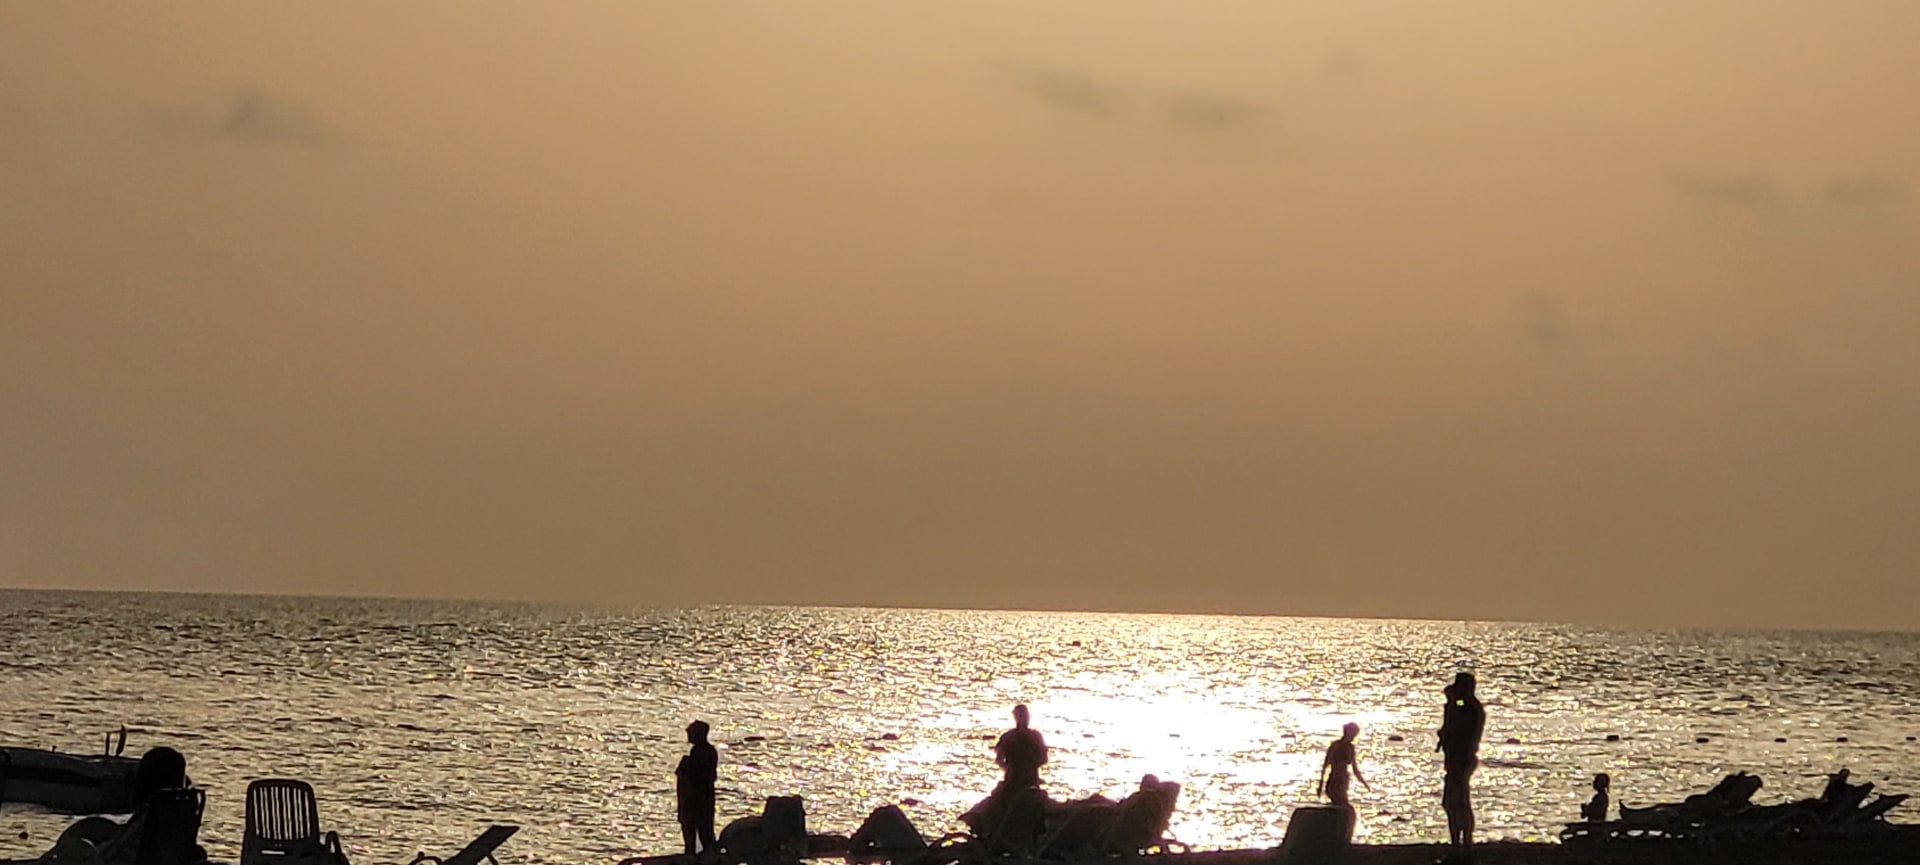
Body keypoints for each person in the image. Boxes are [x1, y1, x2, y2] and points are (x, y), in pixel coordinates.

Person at [1437, 672, 1486, 852]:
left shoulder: (1466, 706)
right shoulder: (1465, 705)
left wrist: (1452, 704)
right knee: (1454, 801)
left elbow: (1458, 709)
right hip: (1457, 759)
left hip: (1462, 759)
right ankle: (1459, 841)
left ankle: (1463, 842)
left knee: (1457, 801)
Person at [675, 720, 719, 857]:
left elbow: (696, 776)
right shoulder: (704, 751)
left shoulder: (701, 752)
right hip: (701, 797)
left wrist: (685, 767)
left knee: (697, 829)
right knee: (701, 829)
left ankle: (696, 856)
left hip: (697, 798)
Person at [995, 704, 1049, 791]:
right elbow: (999, 758)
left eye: (1025, 716)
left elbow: (1044, 759)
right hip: (1014, 781)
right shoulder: (1008, 737)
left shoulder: (1035, 736)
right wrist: (1011, 769)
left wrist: (1028, 767)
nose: (1024, 719)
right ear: (1015, 717)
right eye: (1021, 716)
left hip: (1029, 781)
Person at [1317, 722, 1371, 808]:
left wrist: (1365, 784)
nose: (1354, 737)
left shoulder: (1345, 747)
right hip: (1336, 781)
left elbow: (1355, 769)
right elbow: (1326, 765)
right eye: (1353, 735)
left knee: (1340, 805)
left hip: (1340, 780)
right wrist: (1321, 785)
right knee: (1343, 806)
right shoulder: (1338, 746)